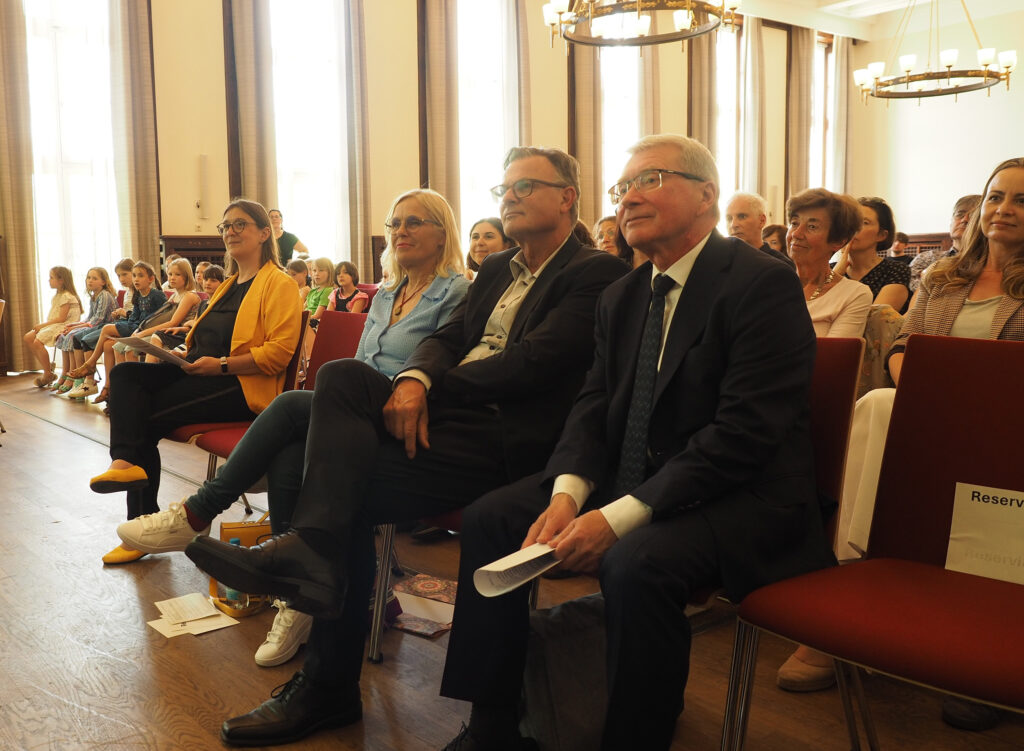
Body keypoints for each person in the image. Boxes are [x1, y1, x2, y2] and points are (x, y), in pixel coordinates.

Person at [181, 146, 628, 747]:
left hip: (505, 437)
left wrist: (427, 389)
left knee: (336, 415)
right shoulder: (497, 271)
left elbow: (534, 365)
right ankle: (320, 634)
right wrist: (416, 376)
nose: (510, 199)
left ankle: (325, 666)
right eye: (504, 190)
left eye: (526, 188)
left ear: (568, 197)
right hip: (441, 426)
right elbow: (446, 338)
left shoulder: (594, 272)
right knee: (334, 455)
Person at [434, 134, 835, 750]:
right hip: (637, 476)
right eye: (622, 188)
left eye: (649, 180)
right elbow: (594, 405)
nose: (627, 199)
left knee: (635, 560)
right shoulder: (623, 294)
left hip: (740, 495)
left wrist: (618, 518)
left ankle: (635, 735)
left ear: (707, 195)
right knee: (495, 516)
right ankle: (492, 722)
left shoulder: (759, 282)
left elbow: (746, 432)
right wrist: (569, 494)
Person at [117, 188, 471, 666]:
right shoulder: (386, 295)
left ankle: (198, 514)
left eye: (415, 222)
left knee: (286, 407)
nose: (401, 232)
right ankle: (294, 596)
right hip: (354, 407)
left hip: (403, 411)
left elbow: (443, 362)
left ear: (442, 231)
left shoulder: (458, 291)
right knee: (288, 446)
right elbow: (364, 360)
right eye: (394, 224)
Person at [810, 159, 1024, 717]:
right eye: (996, 197)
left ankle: (988, 653)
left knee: (880, 408)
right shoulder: (942, 275)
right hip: (936, 414)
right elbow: (904, 346)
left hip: (1012, 425)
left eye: (1021, 201)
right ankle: (846, 592)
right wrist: (928, 395)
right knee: (879, 402)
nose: (1003, 210)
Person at [89, 198, 302, 564]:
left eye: (240, 225)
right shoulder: (229, 284)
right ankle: (125, 465)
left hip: (239, 384)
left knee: (145, 418)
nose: (230, 232)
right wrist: (182, 354)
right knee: (125, 375)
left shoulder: (278, 284)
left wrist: (220, 365)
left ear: (265, 233)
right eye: (225, 226)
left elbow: (279, 354)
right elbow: (202, 336)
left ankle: (140, 528)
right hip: (201, 371)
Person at [76, 262, 167, 406]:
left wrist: (135, 329)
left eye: (140, 276)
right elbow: (134, 316)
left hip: (146, 328)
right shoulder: (137, 295)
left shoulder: (156, 295)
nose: (136, 279)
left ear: (151, 279)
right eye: (135, 275)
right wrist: (128, 324)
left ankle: (91, 363)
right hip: (135, 326)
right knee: (111, 344)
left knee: (106, 329)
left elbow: (161, 316)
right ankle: (117, 389)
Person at [787, 188, 872, 337]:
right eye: (794, 223)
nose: (796, 233)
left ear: (838, 241)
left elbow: (832, 357)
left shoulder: (853, 295)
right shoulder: (769, 285)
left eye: (812, 226)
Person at [833, 197, 911, 314]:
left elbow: (874, 320)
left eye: (864, 222)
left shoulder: (896, 270)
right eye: (850, 221)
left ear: (881, 235)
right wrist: (835, 275)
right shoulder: (831, 271)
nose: (853, 228)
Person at [54, 268, 118, 398]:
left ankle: (85, 378)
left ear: (104, 282)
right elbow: (90, 318)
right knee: (67, 334)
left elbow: (98, 320)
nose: (90, 281)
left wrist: (77, 328)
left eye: (95, 278)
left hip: (106, 326)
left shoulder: (104, 295)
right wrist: (73, 325)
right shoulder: (94, 297)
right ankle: (70, 374)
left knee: (76, 336)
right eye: (89, 278)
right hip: (97, 325)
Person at [909, 194, 982, 291]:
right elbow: (920, 290)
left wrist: (932, 276)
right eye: (960, 214)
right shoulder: (927, 258)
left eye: (973, 216)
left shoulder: (989, 262)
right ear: (951, 222)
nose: (964, 220)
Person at [23, 266, 82, 388]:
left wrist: (42, 325)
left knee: (38, 342)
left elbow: (62, 319)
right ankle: (48, 368)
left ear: (61, 280)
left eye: (51, 278)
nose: (49, 280)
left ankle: (47, 373)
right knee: (28, 337)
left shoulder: (67, 296)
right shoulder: (58, 296)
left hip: (64, 325)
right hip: (57, 324)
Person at [725, 191, 795, 268]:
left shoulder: (780, 265)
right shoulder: (720, 261)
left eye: (742, 216)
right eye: (729, 219)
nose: (733, 225)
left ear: (761, 221)